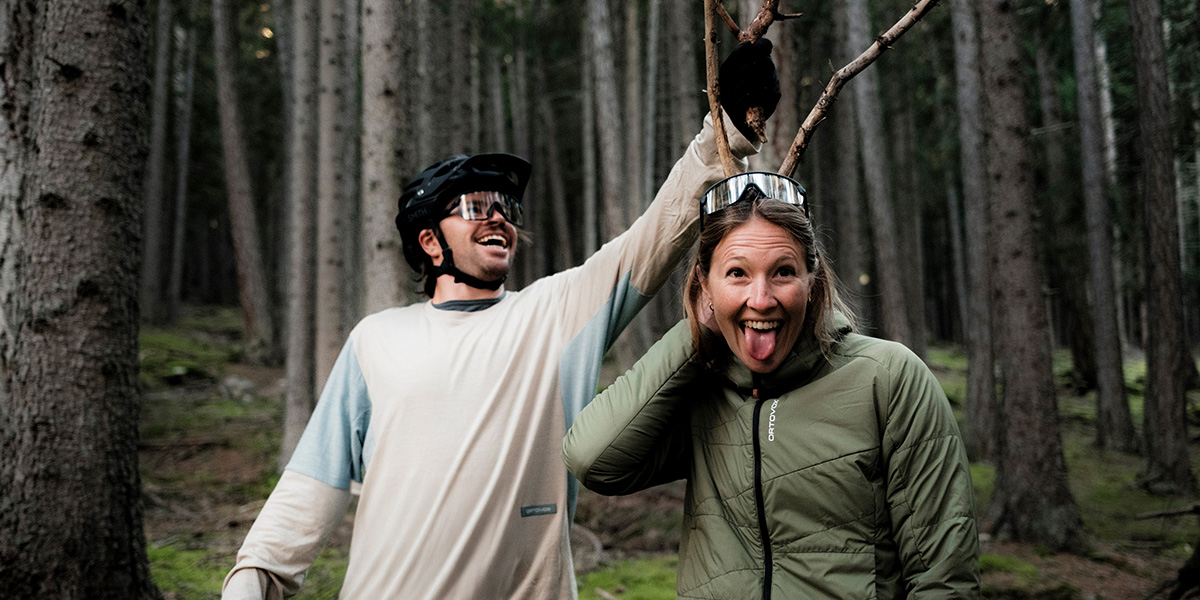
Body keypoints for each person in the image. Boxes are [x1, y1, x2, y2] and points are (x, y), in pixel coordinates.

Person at [221, 41, 780, 600]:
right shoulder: (375, 339)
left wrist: (725, 131)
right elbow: (312, 481)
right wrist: (257, 575)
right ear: (429, 241)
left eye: (505, 208)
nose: (497, 217)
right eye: (474, 207)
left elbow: (656, 233)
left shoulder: (554, 313)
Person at [563, 172, 981, 599]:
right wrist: (695, 336)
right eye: (737, 274)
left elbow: (944, 579)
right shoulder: (699, 388)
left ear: (812, 279)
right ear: (705, 284)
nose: (761, 299)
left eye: (783, 272)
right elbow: (592, 460)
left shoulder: (888, 378)